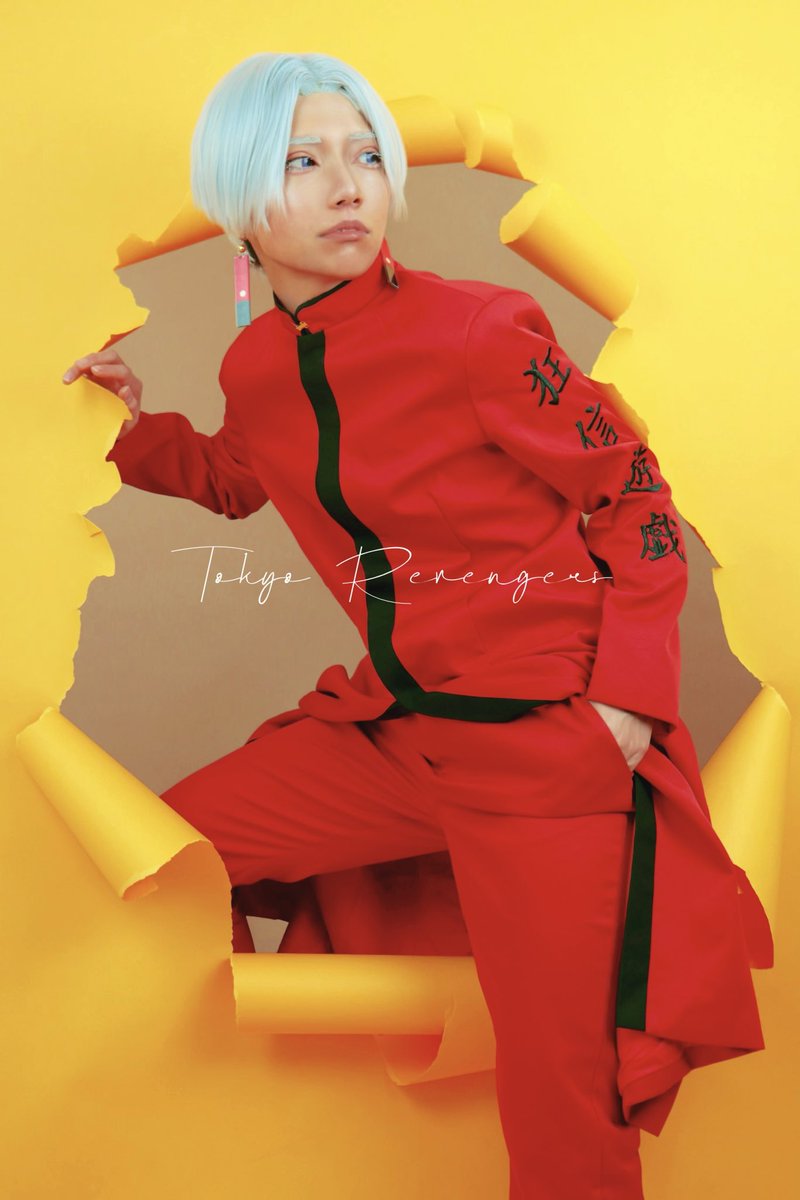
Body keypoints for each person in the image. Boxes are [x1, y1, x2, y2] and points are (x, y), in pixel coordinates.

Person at [62, 52, 771, 1200]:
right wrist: (131, 427)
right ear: (239, 196)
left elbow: (632, 492)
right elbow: (243, 477)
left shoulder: (479, 329)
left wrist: (627, 705)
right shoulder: (258, 364)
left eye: (367, 158)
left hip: (544, 748)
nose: (349, 187)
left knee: (561, 1106)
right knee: (166, 861)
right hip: (397, 732)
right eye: (303, 162)